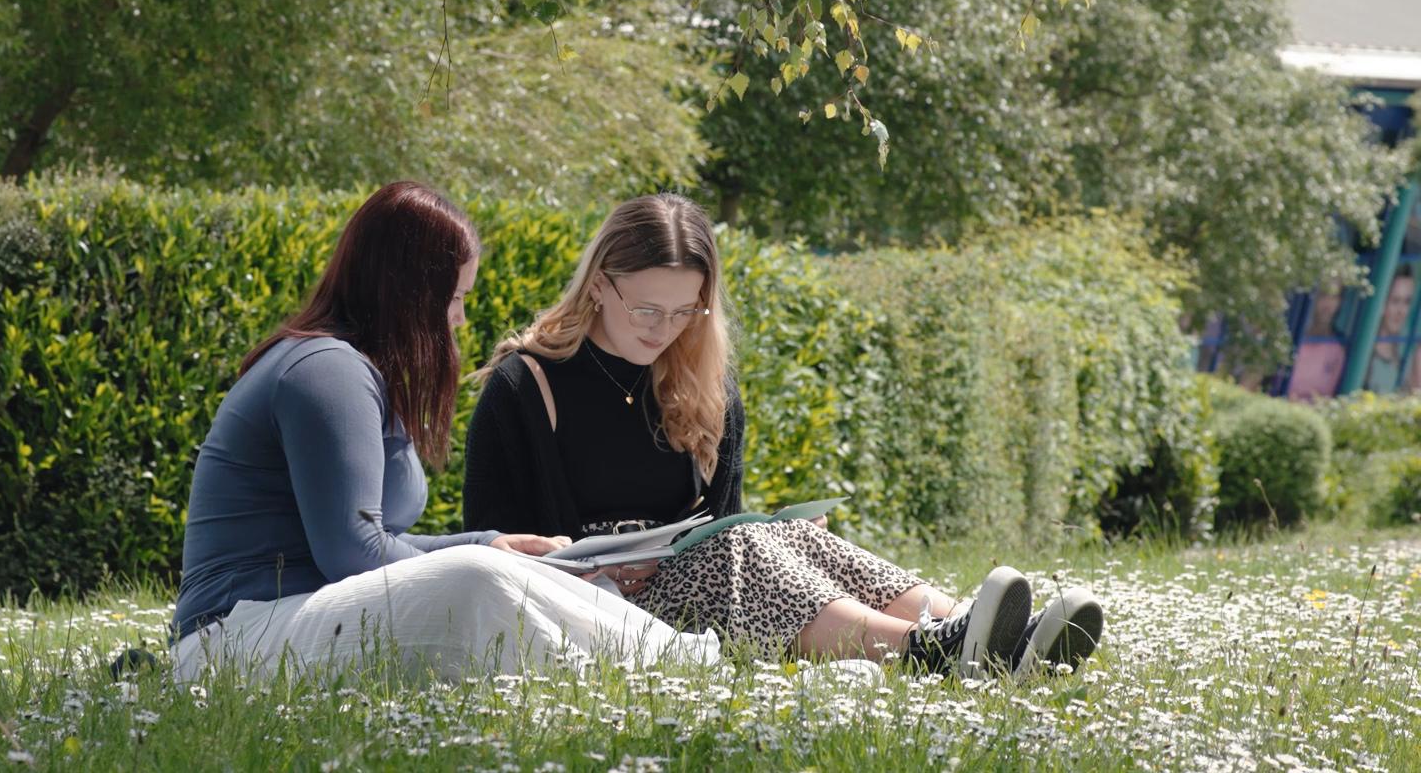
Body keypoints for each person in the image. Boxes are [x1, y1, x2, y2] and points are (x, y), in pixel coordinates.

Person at [463, 194, 1103, 677]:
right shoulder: (525, 386)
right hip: (589, 604)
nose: (664, 330)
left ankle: (993, 636)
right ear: (599, 284)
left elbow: (720, 518)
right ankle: (927, 649)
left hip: (693, 577)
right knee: (735, 549)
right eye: (647, 310)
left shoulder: (701, 381)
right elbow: (487, 551)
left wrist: (767, 535)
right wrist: (595, 569)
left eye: (686, 311)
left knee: (777, 535)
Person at [168, 182, 720, 682]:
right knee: (477, 579)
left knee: (507, 567)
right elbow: (352, 554)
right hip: (234, 637)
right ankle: (653, 668)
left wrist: (489, 542)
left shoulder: (353, 371)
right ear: (406, 294)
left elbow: (369, 543)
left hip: (295, 617)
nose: (458, 320)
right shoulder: (326, 372)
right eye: (453, 299)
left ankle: (667, 659)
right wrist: (483, 556)